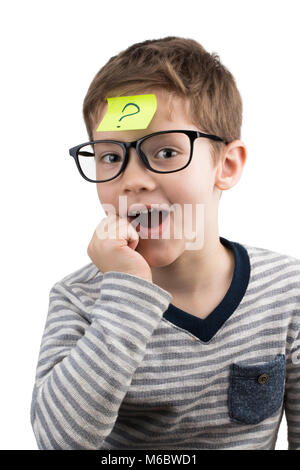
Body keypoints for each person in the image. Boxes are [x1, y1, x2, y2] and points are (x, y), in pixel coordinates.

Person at [30, 36, 300, 450]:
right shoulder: (81, 299)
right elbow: (58, 441)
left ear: (225, 166)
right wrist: (127, 294)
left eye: (166, 151)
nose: (131, 179)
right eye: (110, 156)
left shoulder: (287, 292)